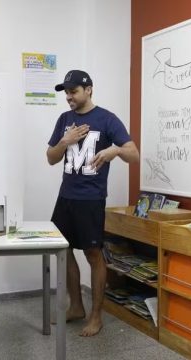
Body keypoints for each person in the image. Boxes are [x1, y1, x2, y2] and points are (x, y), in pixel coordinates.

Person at [47, 70, 139, 337]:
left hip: (91, 200)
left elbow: (133, 154)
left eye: (73, 91)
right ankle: (76, 306)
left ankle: (96, 315)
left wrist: (116, 150)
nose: (69, 97)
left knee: (93, 255)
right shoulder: (64, 119)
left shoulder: (107, 119)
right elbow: (51, 158)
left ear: (89, 90)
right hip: (66, 197)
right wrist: (65, 141)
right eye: (66, 92)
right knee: (62, 251)